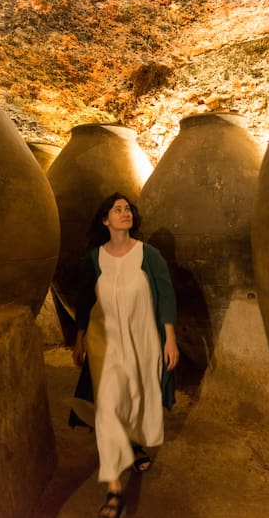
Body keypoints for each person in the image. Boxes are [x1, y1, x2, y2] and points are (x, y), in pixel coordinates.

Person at [70, 192, 180, 518]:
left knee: (135, 398)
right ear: (105, 220)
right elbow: (84, 301)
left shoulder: (149, 256)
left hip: (143, 341)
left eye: (128, 208)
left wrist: (169, 338)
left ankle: (131, 446)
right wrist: (79, 339)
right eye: (117, 209)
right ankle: (115, 492)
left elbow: (166, 296)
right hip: (105, 343)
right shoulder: (94, 259)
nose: (124, 212)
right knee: (107, 406)